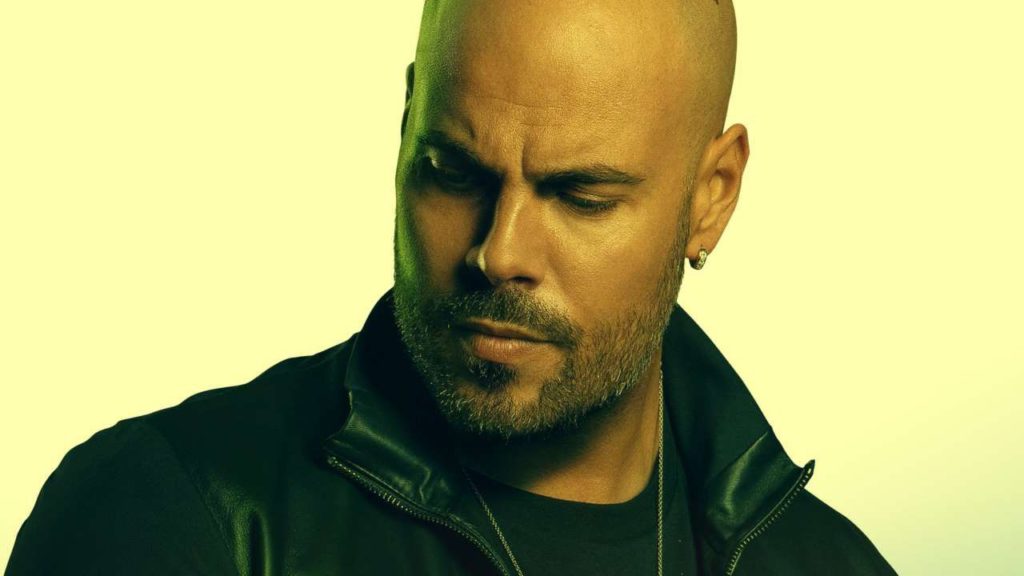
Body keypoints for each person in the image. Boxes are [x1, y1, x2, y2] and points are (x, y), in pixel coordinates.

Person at [6, 0, 897, 574]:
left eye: (580, 196)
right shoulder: (178, 520)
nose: (498, 253)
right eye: (451, 171)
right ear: (407, 128)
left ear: (712, 198)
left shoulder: (829, 565)